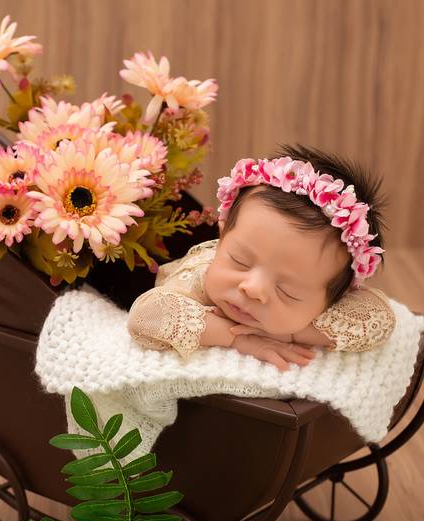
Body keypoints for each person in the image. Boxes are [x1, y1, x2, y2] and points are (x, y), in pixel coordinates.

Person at [127, 144, 396, 371]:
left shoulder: (330, 288)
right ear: (222, 237)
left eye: (287, 290)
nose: (253, 288)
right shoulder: (200, 274)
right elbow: (145, 317)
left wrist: (292, 333)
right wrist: (236, 338)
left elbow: (379, 321)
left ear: (336, 297)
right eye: (239, 261)